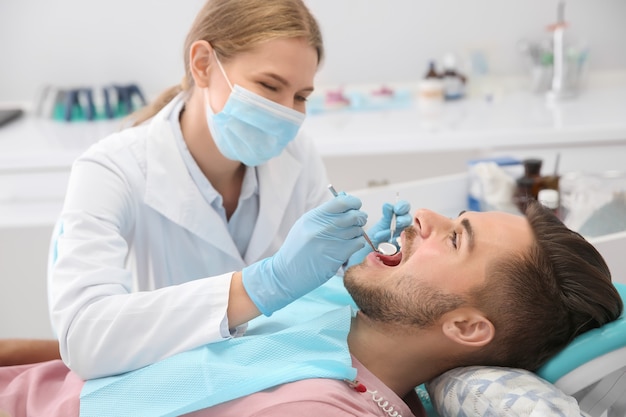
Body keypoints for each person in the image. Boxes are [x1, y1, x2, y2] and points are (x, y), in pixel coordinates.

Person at [46, 0, 412, 380]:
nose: (287, 112)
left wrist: (353, 263)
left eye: (301, 97)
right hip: (168, 384)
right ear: (203, 64)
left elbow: (317, 283)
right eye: (269, 86)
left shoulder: (295, 154)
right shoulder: (111, 169)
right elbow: (84, 338)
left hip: (267, 378)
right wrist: (265, 284)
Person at [2, 202, 622, 416]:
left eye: (455, 239)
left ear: (466, 326)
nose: (424, 218)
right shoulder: (332, 304)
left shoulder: (327, 406)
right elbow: (115, 356)